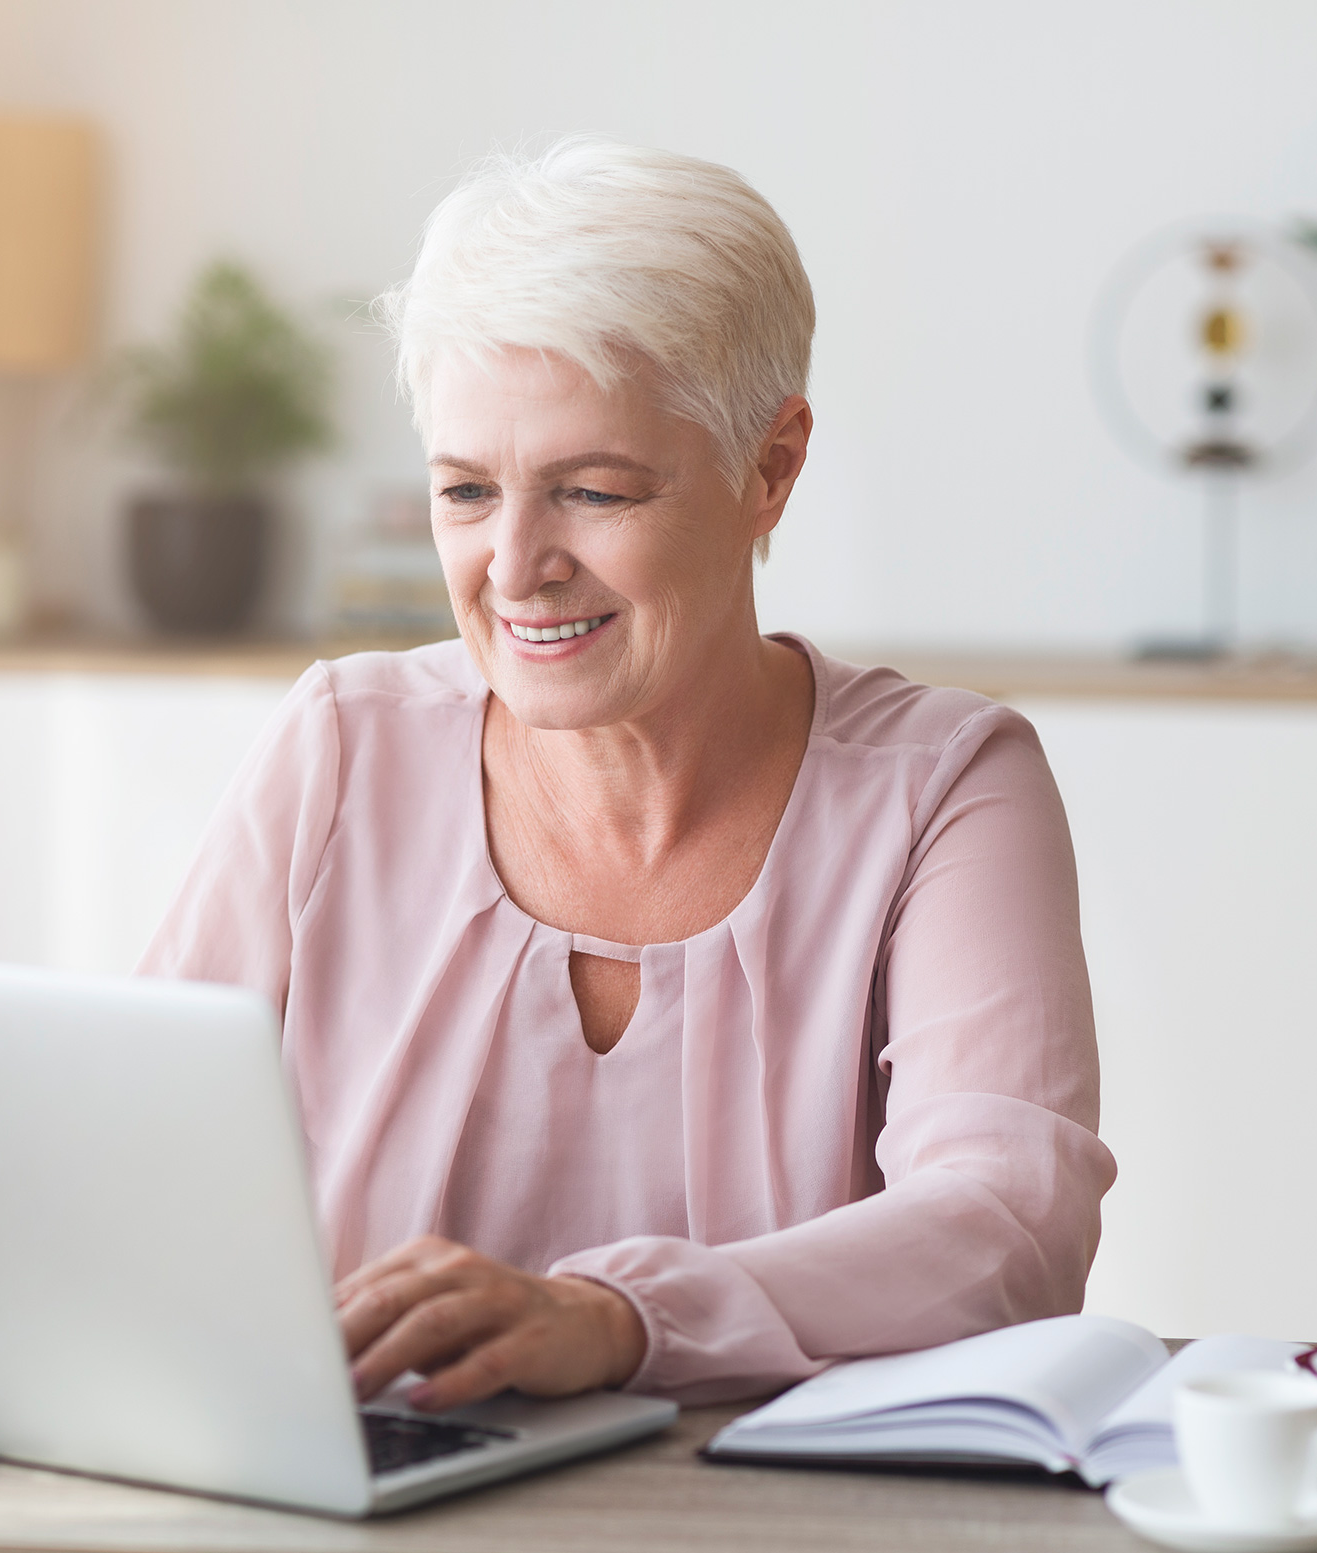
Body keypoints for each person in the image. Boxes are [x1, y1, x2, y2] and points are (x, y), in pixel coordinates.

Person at [140, 137, 1114, 1410]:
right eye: (467, 492)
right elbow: (139, 1153)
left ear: (771, 466)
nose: (515, 563)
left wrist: (618, 1318)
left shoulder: (945, 787)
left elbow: (1010, 1221)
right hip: (362, 1511)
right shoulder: (340, 746)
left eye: (592, 492)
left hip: (775, 1532)